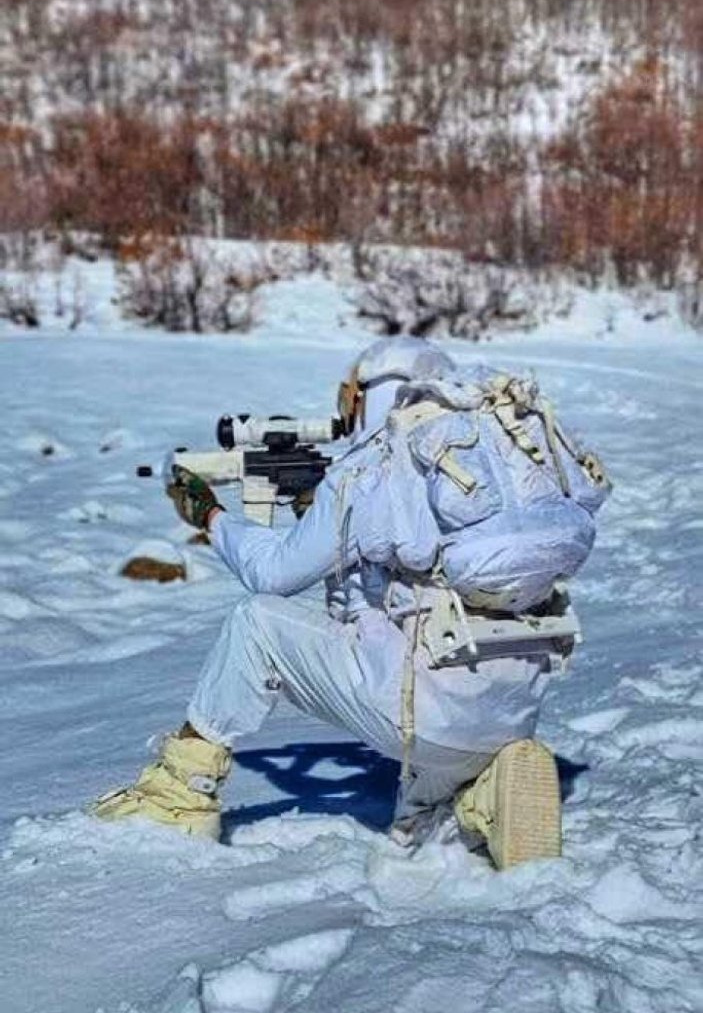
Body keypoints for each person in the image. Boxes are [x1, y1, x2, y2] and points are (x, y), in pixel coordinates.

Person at [93, 338, 567, 869]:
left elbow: (271, 574)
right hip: (510, 707)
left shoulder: (372, 472)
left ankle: (178, 795)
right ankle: (485, 792)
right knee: (419, 822)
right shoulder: (504, 464)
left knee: (256, 626)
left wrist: (210, 517)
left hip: (422, 711)